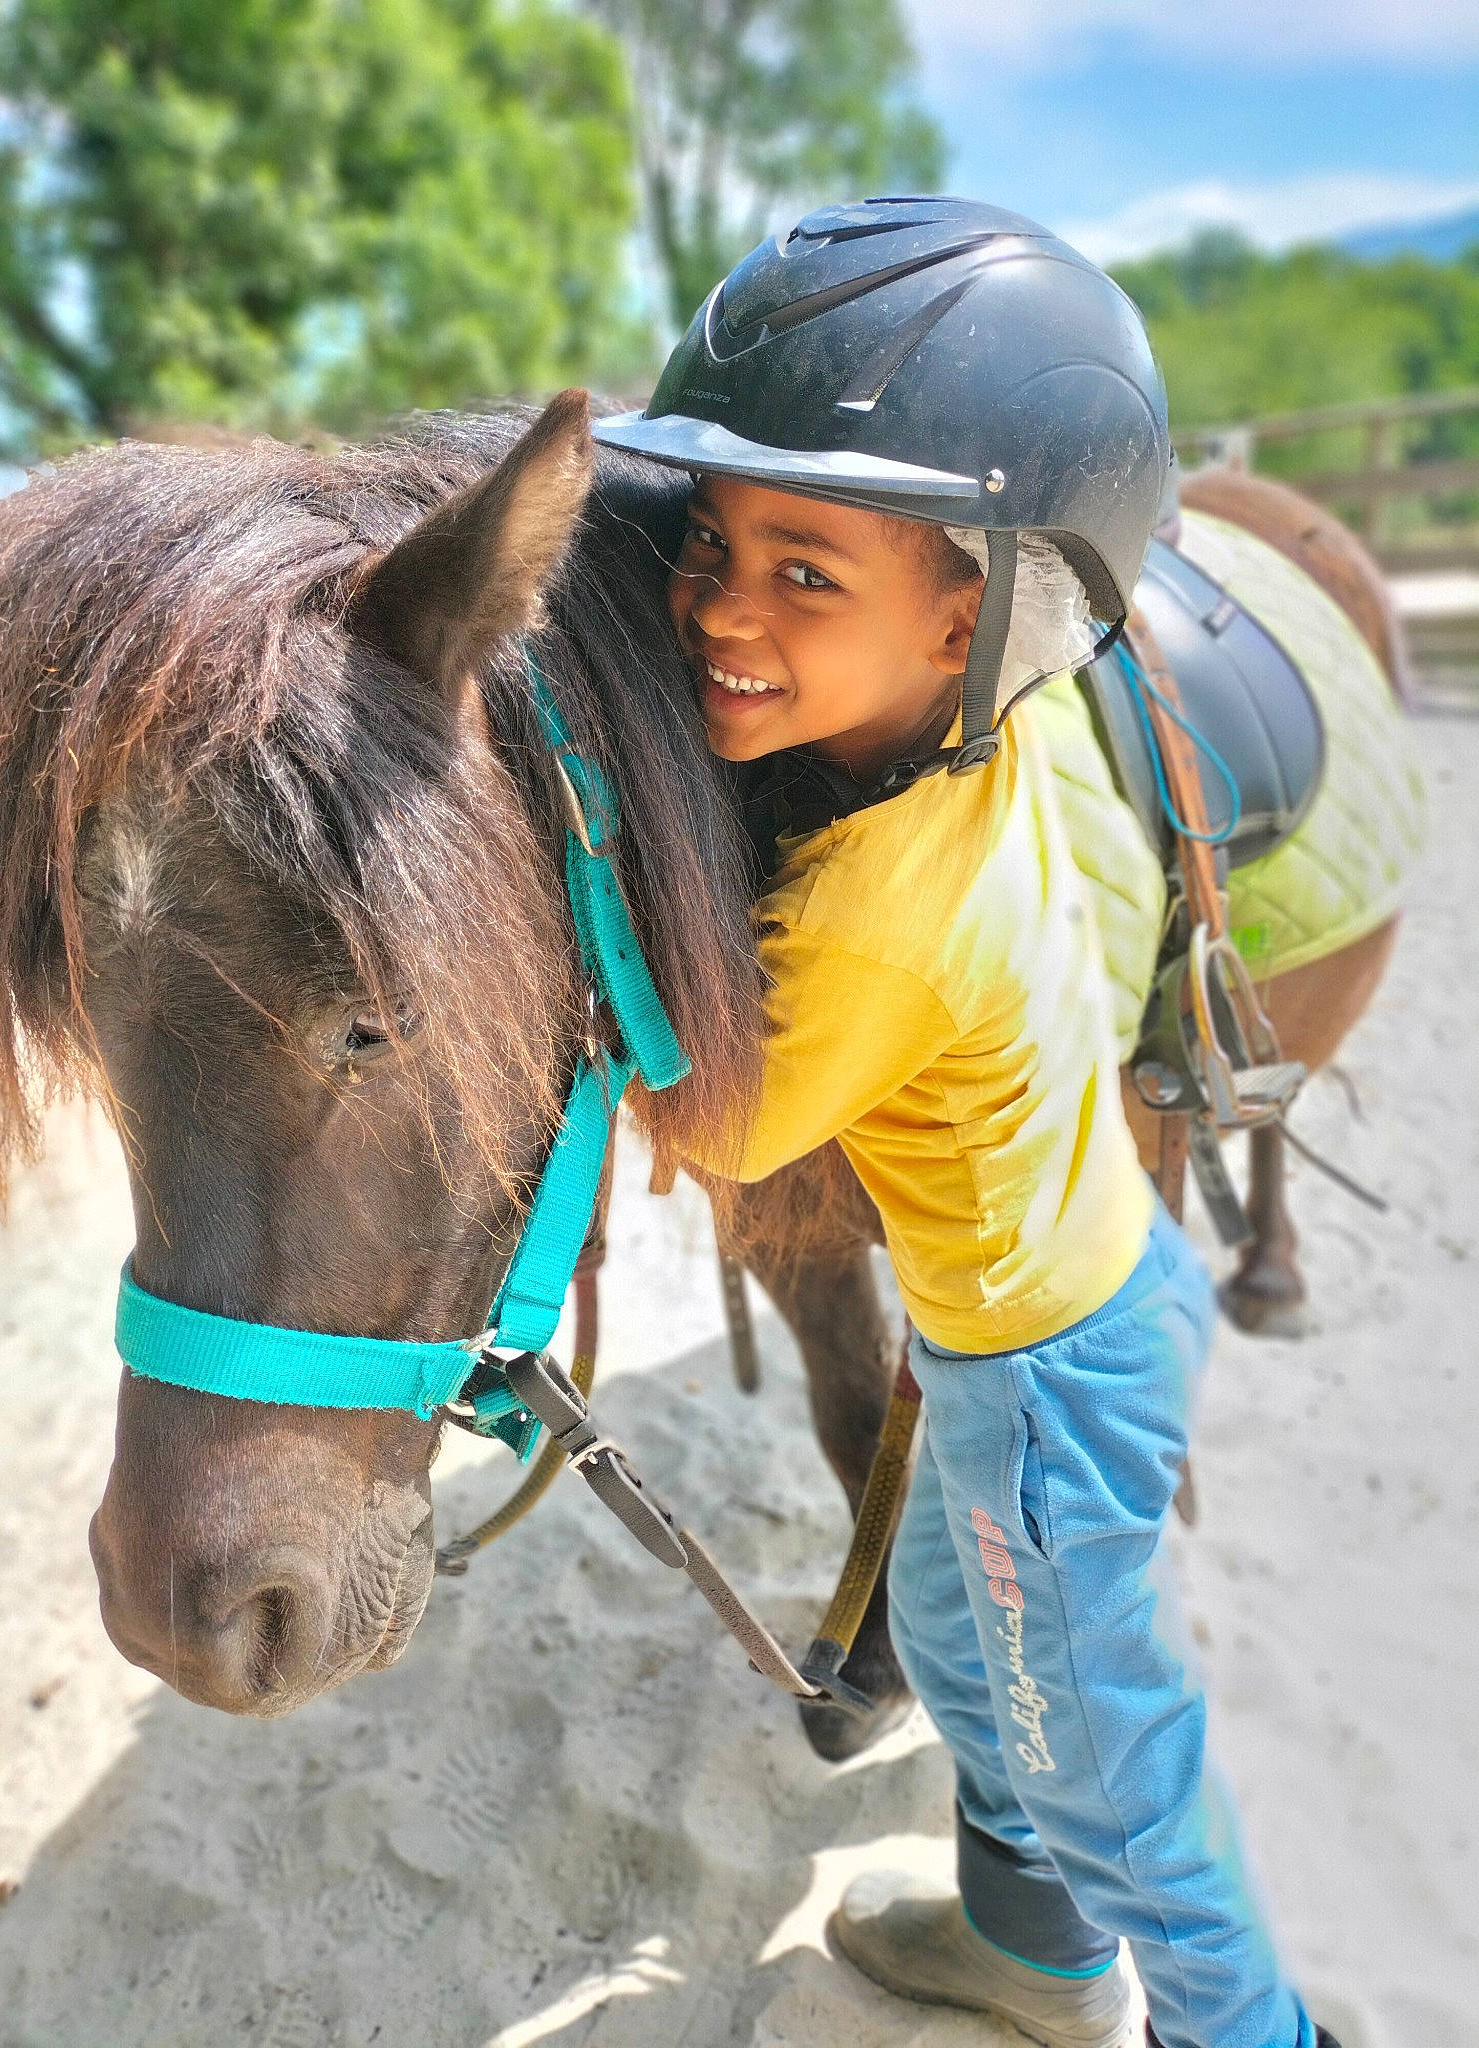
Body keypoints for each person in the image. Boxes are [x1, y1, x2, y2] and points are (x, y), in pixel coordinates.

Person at [594, 199, 1342, 2048]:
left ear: (967, 619)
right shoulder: (943, 742)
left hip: (1039, 1366)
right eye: (713, 545)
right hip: (1030, 1315)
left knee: (1106, 1766)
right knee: (956, 1636)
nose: (723, 609)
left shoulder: (875, 917)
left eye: (807, 573)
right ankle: (1032, 1950)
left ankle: (1247, 2030)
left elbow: (722, 1132)